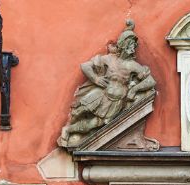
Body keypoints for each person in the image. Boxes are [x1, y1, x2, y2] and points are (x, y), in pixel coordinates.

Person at [57, 19, 156, 148]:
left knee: (96, 124)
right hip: (101, 94)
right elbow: (85, 66)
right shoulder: (108, 59)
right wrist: (96, 79)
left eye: (134, 45)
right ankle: (68, 129)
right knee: (79, 111)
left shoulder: (133, 66)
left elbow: (151, 81)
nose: (133, 48)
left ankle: (69, 131)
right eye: (130, 44)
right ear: (123, 45)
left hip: (116, 102)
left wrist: (134, 89)